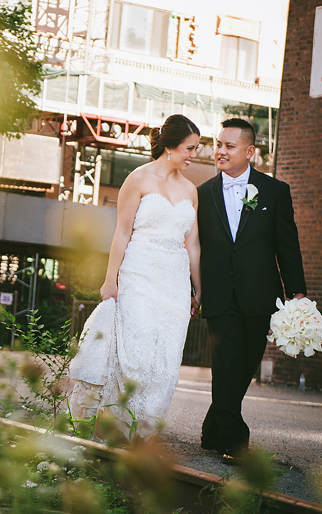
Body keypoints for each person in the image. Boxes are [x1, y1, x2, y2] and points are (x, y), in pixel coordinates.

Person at [68, 114, 202, 438]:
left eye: (196, 149)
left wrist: (198, 289)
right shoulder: (137, 179)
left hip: (174, 282)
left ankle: (144, 432)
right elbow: (122, 233)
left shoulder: (191, 189)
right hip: (139, 273)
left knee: (166, 358)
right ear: (170, 147)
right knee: (136, 352)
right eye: (190, 148)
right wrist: (110, 279)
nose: (194, 155)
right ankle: (113, 426)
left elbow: (193, 244)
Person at [196, 118, 306, 462]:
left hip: (260, 296)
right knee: (226, 364)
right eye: (218, 144)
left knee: (243, 368)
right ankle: (234, 442)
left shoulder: (274, 192)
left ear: (250, 151)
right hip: (218, 296)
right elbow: (194, 247)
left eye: (229, 146)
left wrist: (297, 292)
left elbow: (287, 246)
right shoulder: (201, 195)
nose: (220, 151)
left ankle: (213, 430)